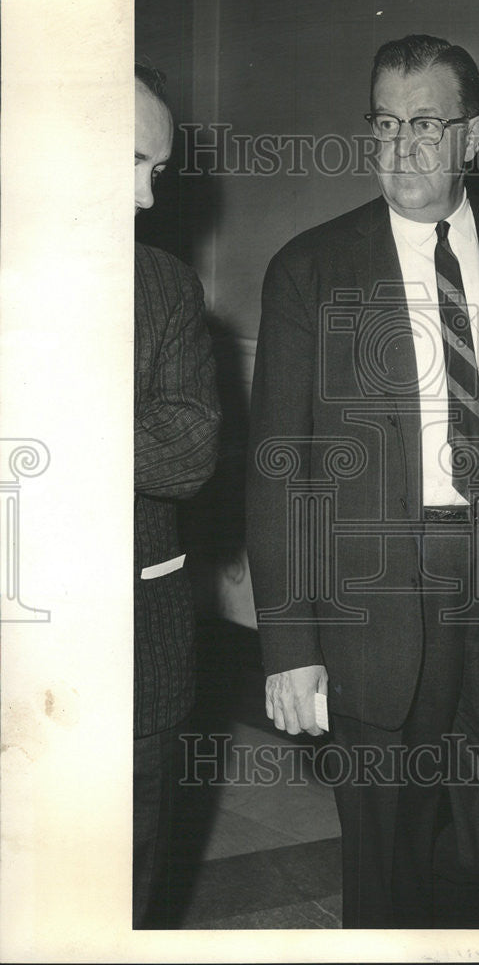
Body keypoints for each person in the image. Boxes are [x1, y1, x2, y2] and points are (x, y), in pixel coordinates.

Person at [246, 34, 479, 928]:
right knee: (387, 844)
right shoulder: (309, 269)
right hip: (374, 598)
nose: (400, 148)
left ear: (473, 137)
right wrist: (290, 646)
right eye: (383, 123)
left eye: (426, 124)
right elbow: (278, 469)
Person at [133, 63, 221, 927]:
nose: (148, 199)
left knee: (122, 889)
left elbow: (186, 452)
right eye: (127, 163)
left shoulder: (163, 286)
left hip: (135, 651)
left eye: (155, 170)